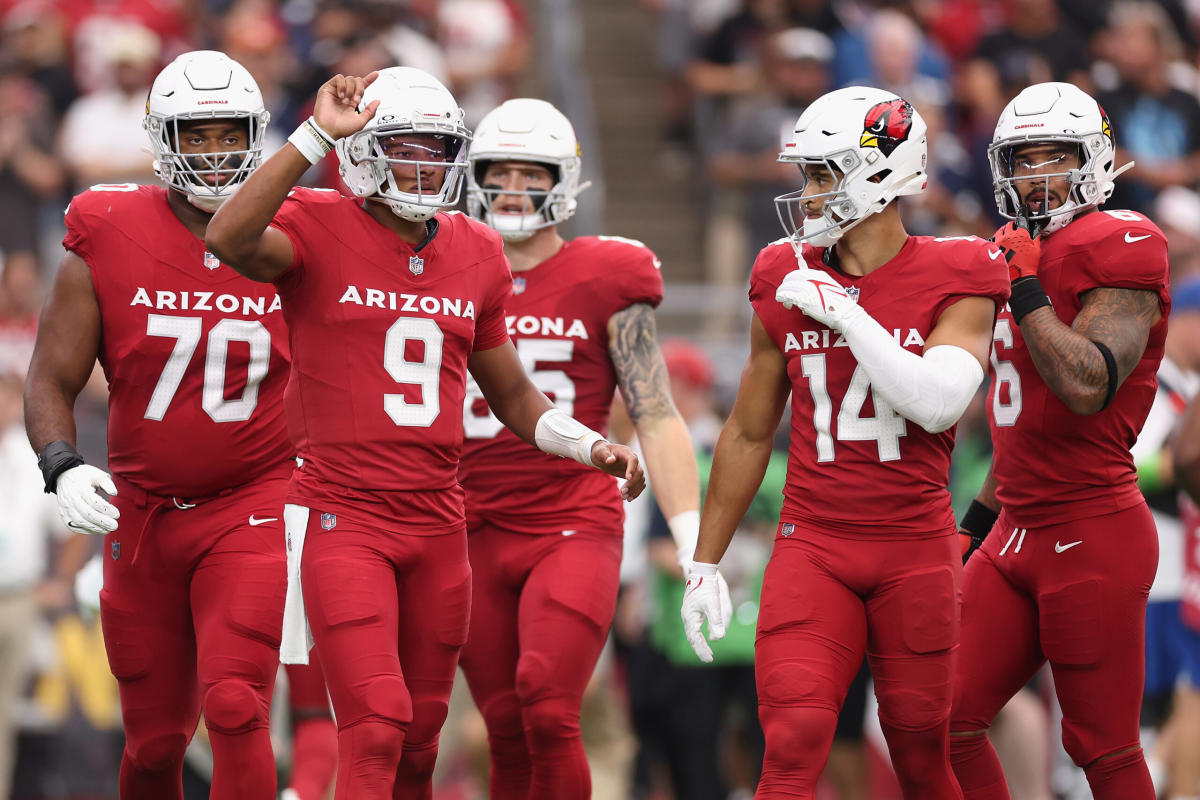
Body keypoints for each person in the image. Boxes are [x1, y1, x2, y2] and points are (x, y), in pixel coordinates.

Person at [203, 67, 645, 800]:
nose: (423, 165)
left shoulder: (474, 248)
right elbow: (228, 235)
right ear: (365, 152)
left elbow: (513, 394)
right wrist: (313, 135)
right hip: (345, 514)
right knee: (376, 723)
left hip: (440, 520)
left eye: (437, 151)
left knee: (421, 738)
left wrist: (586, 445)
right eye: (406, 148)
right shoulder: (317, 222)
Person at [681, 85, 1010, 799]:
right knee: (792, 743)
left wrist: (853, 320)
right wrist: (705, 562)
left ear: (886, 174)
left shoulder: (961, 270)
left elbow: (941, 401)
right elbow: (746, 428)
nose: (809, 192)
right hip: (815, 540)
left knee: (922, 755)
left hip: (915, 545)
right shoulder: (782, 272)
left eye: (826, 173)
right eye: (809, 174)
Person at [23, 50, 293, 800]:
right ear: (160, 139)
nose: (213, 154)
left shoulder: (299, 228)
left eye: (228, 134)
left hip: (253, 503)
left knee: (237, 706)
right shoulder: (107, 226)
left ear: (258, 135)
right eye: (195, 135)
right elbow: (52, 374)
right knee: (153, 744)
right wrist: (62, 461)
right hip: (141, 512)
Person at [455, 96, 700, 799]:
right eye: (499, 172)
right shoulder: (447, 264)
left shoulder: (608, 273)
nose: (512, 189)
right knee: (502, 725)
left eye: (531, 175)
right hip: (467, 523)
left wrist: (690, 539)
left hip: (569, 518)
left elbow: (655, 412)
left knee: (548, 700)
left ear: (563, 181)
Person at [951, 81, 1171, 800]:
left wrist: (1024, 288)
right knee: (940, 718)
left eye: (1054, 157)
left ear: (1095, 159)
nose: (1036, 176)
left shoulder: (1124, 240)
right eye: (1023, 160)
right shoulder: (1020, 254)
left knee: (1099, 749)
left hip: (1091, 525)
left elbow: (1087, 383)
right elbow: (1022, 428)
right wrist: (969, 531)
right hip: (1015, 529)